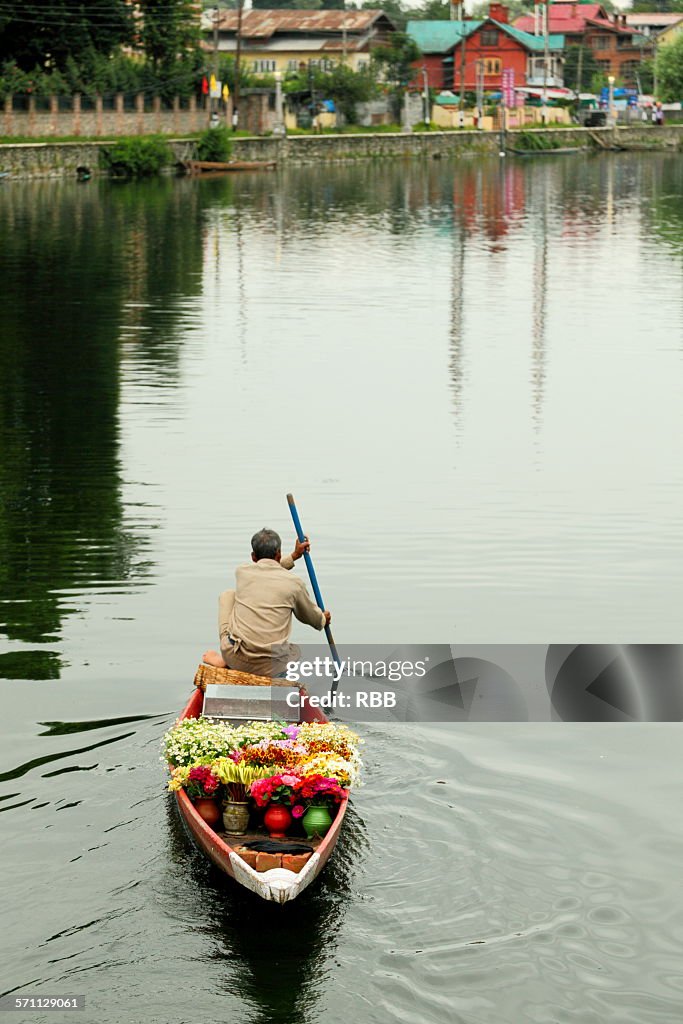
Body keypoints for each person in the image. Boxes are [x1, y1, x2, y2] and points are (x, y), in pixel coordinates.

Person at [202, 528, 331, 678]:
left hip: (236, 658)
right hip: (273, 667)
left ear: (253, 557)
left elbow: (267, 570)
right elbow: (313, 619)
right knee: (296, 651)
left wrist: (294, 556)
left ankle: (225, 658)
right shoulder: (294, 583)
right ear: (279, 554)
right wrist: (322, 619)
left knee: (228, 595)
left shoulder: (242, 572)